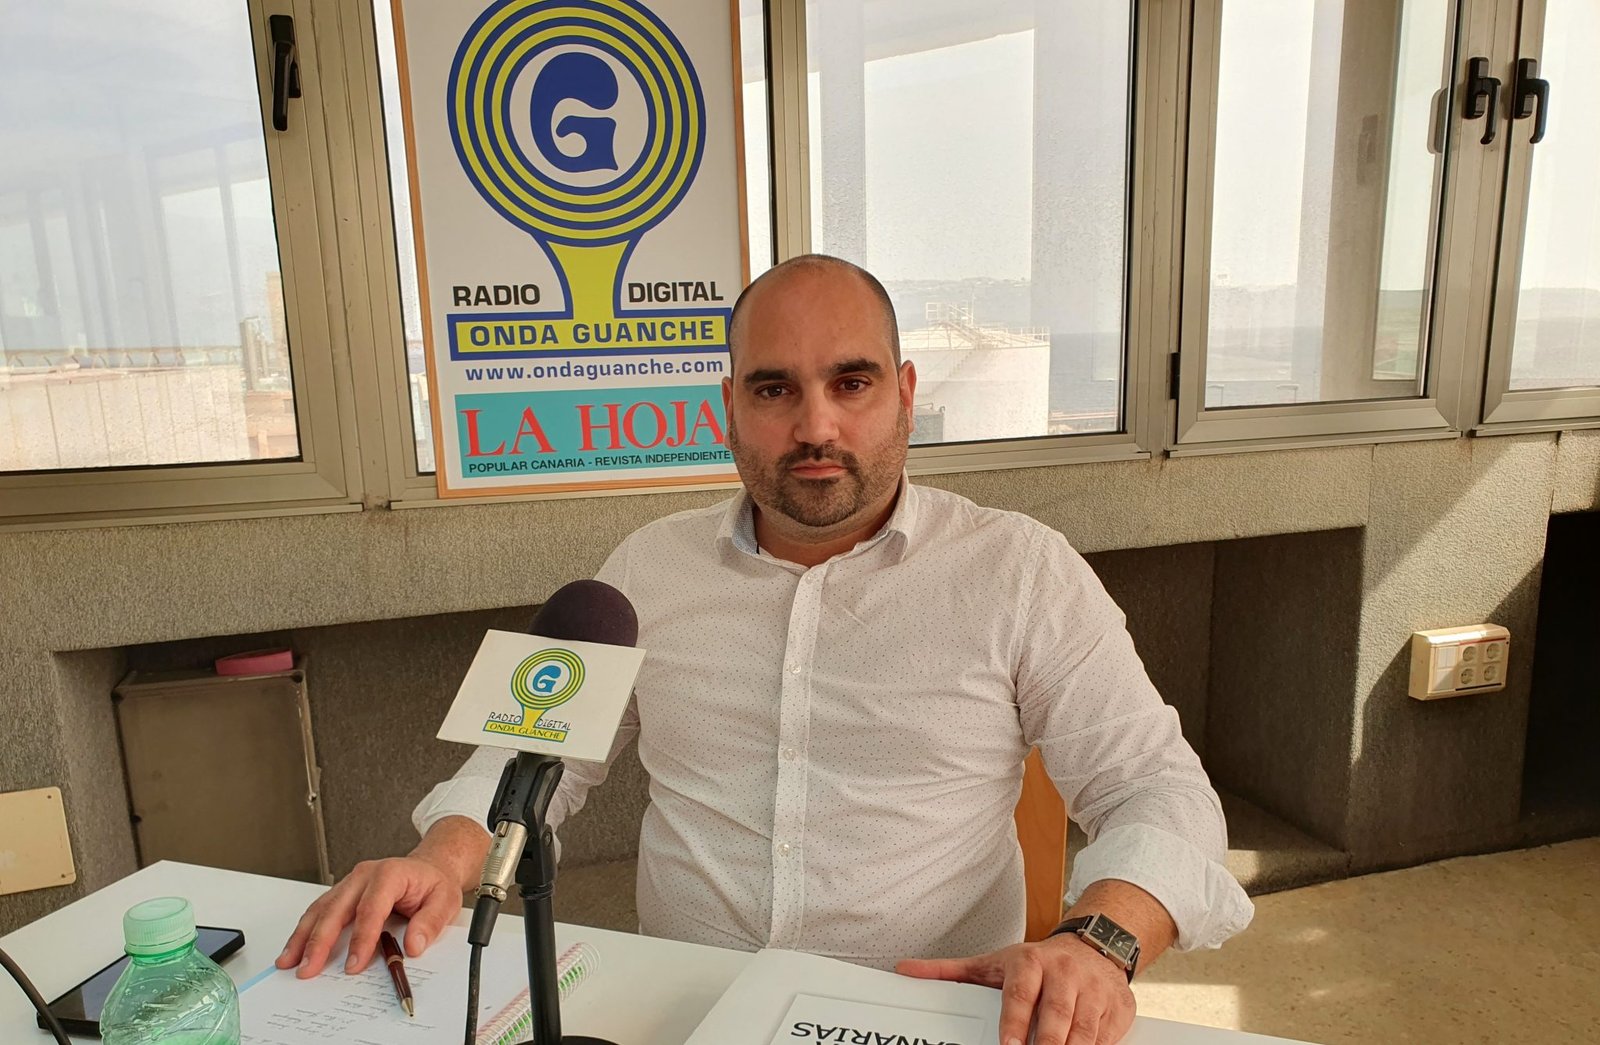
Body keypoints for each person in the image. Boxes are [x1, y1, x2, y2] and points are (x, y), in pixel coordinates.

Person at [277, 255, 1253, 1045]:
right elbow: (533, 755)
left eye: (852, 383)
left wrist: (1098, 941)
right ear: (729, 406)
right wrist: (441, 856)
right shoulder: (645, 567)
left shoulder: (1019, 570)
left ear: (906, 394)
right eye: (774, 388)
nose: (815, 426)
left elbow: (1157, 788)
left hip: (923, 1014)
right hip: (690, 1008)